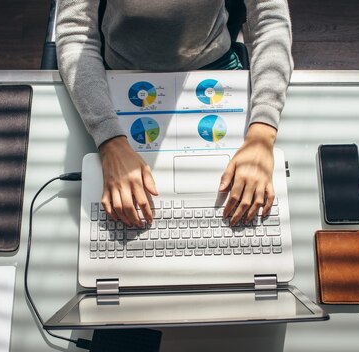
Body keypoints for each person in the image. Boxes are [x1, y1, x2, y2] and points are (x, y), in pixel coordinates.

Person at [56, 0, 293, 227]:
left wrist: (262, 135)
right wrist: (109, 140)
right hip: (122, 72)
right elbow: (76, 34)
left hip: (212, 67)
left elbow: (270, 21)